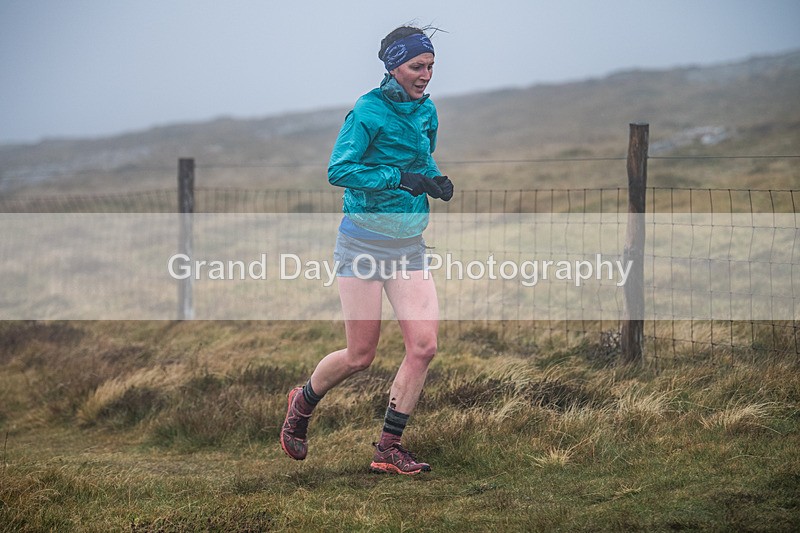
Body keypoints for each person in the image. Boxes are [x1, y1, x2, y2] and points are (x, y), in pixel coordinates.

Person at [280, 25, 453, 475]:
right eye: (418, 66)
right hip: (362, 243)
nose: (426, 75)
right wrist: (399, 179)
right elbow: (339, 170)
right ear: (394, 67)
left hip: (408, 244)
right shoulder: (367, 111)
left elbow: (421, 158)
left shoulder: (426, 111)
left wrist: (433, 177)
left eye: (431, 66)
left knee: (424, 346)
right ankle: (303, 401)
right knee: (360, 356)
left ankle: (388, 448)